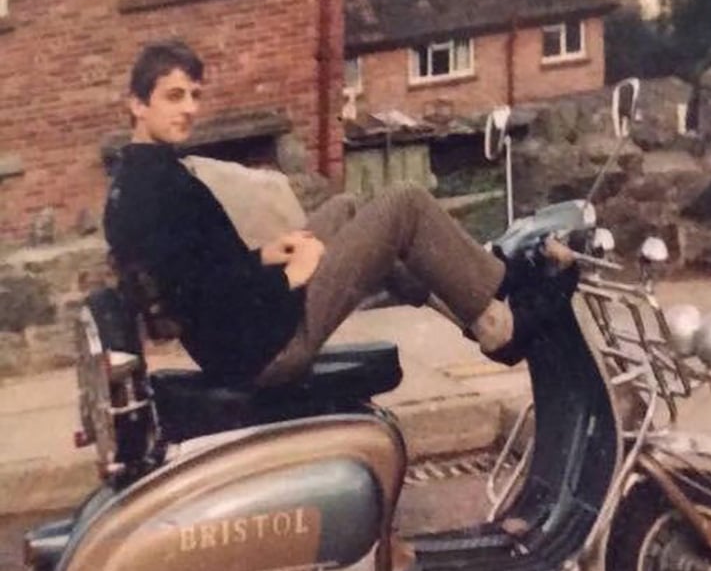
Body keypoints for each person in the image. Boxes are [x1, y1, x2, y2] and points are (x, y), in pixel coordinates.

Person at [104, 40, 533, 386]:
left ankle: (469, 311)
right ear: (138, 104)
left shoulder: (140, 178)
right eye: (174, 97)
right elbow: (198, 294)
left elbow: (201, 269)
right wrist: (288, 276)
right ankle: (499, 311)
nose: (190, 109)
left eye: (195, 96)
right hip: (264, 346)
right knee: (406, 202)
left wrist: (266, 255)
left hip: (241, 336)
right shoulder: (157, 188)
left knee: (346, 209)